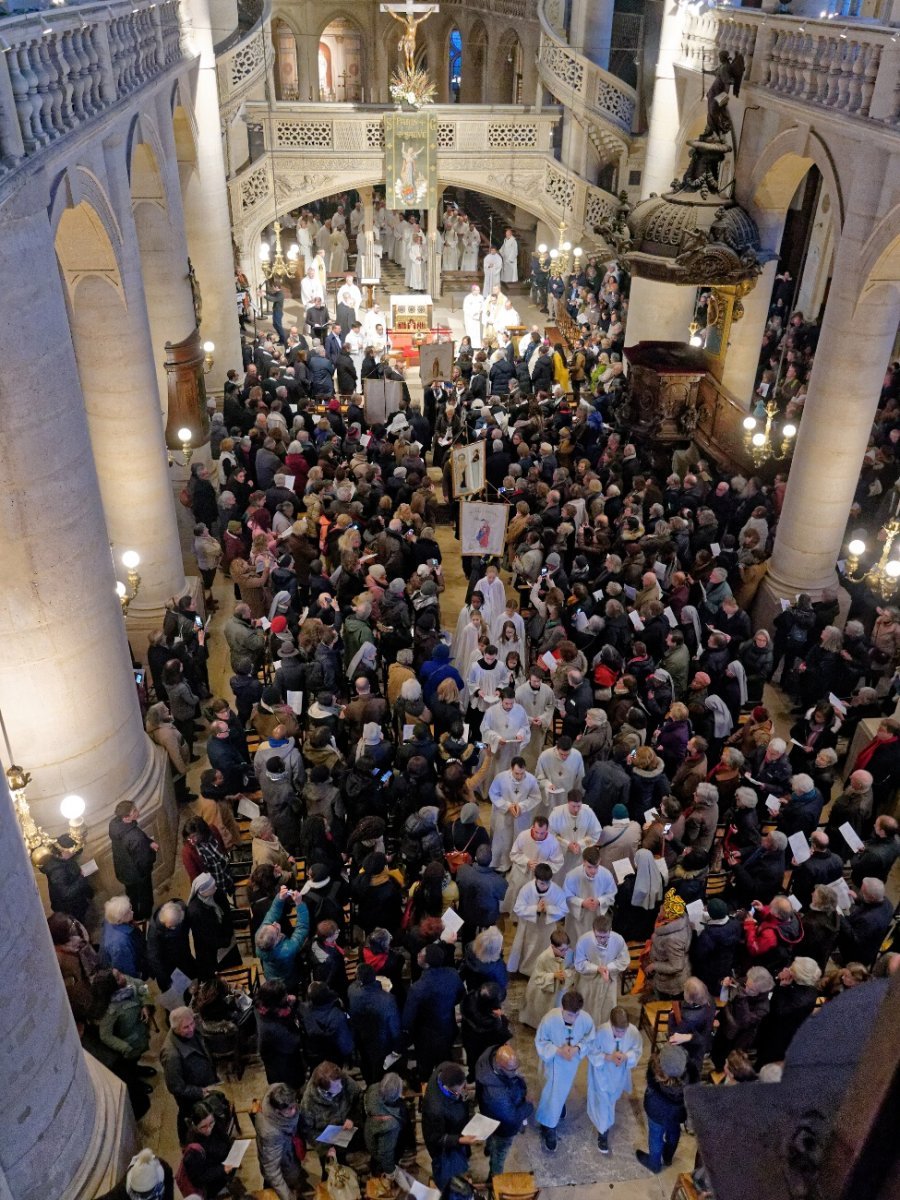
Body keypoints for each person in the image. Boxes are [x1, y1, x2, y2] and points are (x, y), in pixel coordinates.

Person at [534, 990, 594, 1152]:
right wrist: (557, 1050)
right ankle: (549, 1126)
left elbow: (589, 1037)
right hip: (553, 1062)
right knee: (551, 1093)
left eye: (576, 1015)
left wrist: (577, 1048)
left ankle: (558, 1106)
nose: (573, 1019)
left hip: (570, 1063)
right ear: (562, 1006)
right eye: (569, 1015)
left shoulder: (585, 1019)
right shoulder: (549, 1019)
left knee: (561, 1090)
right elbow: (540, 1041)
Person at [403, 943, 466, 1084]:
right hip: (447, 1028)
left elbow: (408, 1019)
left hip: (425, 1036)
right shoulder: (452, 974)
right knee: (444, 1063)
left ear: (426, 963)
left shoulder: (417, 988)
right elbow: (461, 995)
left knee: (425, 1067)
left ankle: (425, 1087)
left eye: (421, 953)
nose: (418, 954)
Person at [586, 1005, 642, 1154]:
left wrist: (626, 1056)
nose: (621, 1035)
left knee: (611, 1100)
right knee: (604, 1103)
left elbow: (637, 1049)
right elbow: (591, 1052)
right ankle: (603, 1133)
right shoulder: (600, 1031)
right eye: (617, 1031)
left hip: (618, 1073)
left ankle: (605, 1120)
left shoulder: (632, 1032)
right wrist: (608, 1057)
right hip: (602, 1073)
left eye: (623, 1031)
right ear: (611, 1024)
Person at [475, 1043, 534, 1178]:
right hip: (504, 1129)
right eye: (512, 1069)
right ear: (501, 1066)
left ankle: (488, 1148)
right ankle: (494, 1178)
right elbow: (512, 1116)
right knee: (500, 1154)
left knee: (490, 1134)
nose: (516, 1072)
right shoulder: (498, 1094)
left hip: (487, 1113)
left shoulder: (489, 1054)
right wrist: (529, 1105)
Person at [161, 1006, 220, 1139]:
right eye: (186, 1027)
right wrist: (199, 1092)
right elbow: (175, 1086)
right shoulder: (171, 1054)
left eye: (192, 1023)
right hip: (192, 1096)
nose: (191, 1028)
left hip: (205, 1084)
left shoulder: (193, 1030)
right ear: (175, 1029)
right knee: (188, 1116)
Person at [422, 1061, 479, 1190]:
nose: (462, 1093)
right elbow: (436, 1138)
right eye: (458, 1092)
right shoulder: (435, 1109)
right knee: (446, 1172)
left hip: (455, 1123)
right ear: (447, 1088)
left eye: (464, 1087)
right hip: (443, 1142)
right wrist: (460, 1139)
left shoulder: (445, 1068)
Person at [634, 1045, 688, 1174]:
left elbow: (651, 1070)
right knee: (674, 1132)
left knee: (656, 1137)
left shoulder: (654, 1075)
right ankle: (668, 1157)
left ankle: (654, 1164)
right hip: (677, 1112)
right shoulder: (688, 1078)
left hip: (656, 1112)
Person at [509, 862, 567, 975]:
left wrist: (548, 909)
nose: (545, 886)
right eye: (541, 883)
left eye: (547, 882)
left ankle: (541, 971)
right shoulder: (526, 889)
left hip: (546, 929)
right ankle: (525, 970)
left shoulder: (557, 891)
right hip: (529, 927)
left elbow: (563, 909)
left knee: (543, 951)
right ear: (535, 878)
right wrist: (536, 909)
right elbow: (518, 908)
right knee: (528, 950)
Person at [347, 962, 402, 1084]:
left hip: (361, 1037)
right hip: (381, 1040)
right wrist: (397, 1047)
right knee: (379, 1067)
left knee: (366, 1063)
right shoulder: (387, 1000)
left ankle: (368, 1084)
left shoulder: (352, 991)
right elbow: (394, 1026)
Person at [573, 913, 630, 1026]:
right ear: (593, 930)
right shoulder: (584, 940)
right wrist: (596, 968)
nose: (602, 940)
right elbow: (579, 964)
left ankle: (604, 1029)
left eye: (605, 936)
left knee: (607, 1008)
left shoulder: (618, 940)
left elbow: (624, 960)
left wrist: (607, 968)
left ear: (611, 930)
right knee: (587, 1007)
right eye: (598, 936)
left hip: (608, 980)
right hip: (589, 982)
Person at [488, 758, 542, 872]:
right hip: (504, 816)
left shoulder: (531, 779)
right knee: (503, 840)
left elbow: (535, 797)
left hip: (521, 817)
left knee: (518, 840)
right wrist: (508, 806)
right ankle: (501, 865)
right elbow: (493, 794)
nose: (519, 776)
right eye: (516, 773)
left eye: (522, 773)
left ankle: (516, 864)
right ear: (511, 769)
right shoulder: (501, 777)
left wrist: (521, 806)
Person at [108, 801, 158, 922]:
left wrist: (148, 842)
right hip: (139, 874)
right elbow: (144, 861)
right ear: (126, 817)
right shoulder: (135, 837)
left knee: (132, 895)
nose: (137, 811)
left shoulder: (114, 824)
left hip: (124, 870)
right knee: (145, 896)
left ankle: (133, 914)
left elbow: (137, 838)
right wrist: (152, 852)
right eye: (134, 811)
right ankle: (144, 916)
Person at [255, 1082, 307, 1200]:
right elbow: (271, 1169)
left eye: (294, 1105)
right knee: (285, 1184)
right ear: (278, 1111)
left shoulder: (277, 1089)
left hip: (289, 1150)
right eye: (289, 1110)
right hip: (284, 1164)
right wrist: (288, 1197)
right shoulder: (270, 1133)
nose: (294, 1111)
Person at [563, 846, 618, 942]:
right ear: (583, 862)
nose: (593, 871)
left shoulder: (606, 874)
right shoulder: (572, 875)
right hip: (578, 920)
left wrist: (599, 901)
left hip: (598, 917)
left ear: (599, 860)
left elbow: (612, 894)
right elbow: (566, 896)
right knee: (577, 943)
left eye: (596, 867)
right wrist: (582, 903)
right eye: (589, 867)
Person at [364, 1072, 410, 1176]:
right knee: (382, 1165)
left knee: (376, 1159)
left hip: (371, 1137)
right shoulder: (391, 1124)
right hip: (384, 1152)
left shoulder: (373, 1089)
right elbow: (386, 1153)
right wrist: (390, 1172)